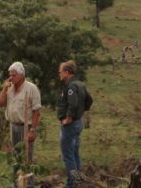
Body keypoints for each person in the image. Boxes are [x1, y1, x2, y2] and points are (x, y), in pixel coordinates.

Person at [0, 61, 42, 163]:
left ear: (21, 75)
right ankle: (17, 178)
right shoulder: (9, 87)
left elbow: (36, 111)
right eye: (10, 75)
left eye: (14, 75)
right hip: (13, 125)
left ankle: (29, 178)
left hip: (26, 126)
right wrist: (4, 89)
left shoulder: (31, 88)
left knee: (26, 156)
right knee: (15, 156)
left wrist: (33, 130)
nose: (11, 78)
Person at [56, 60, 88, 188]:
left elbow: (73, 103)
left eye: (61, 72)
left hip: (70, 124)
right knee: (74, 154)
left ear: (67, 72)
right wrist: (80, 113)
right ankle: (77, 183)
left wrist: (69, 118)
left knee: (68, 155)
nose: (59, 74)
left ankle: (72, 184)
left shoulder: (70, 86)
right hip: (78, 122)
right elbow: (89, 100)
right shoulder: (80, 84)